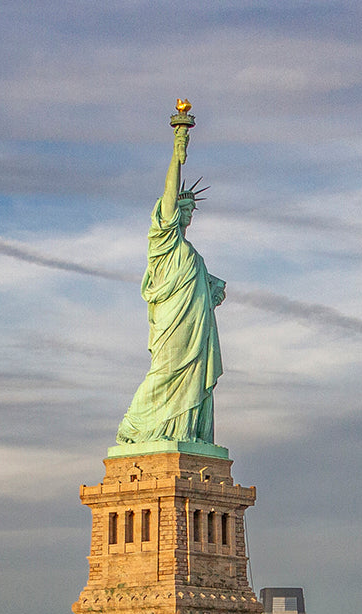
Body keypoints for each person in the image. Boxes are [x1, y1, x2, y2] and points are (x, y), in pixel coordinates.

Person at [116, 120, 226, 446]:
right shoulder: (163, 240)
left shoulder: (190, 252)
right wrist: (179, 152)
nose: (189, 215)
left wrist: (212, 290)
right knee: (165, 372)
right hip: (174, 326)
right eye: (184, 208)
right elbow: (167, 196)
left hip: (196, 326)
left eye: (192, 210)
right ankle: (134, 429)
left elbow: (202, 287)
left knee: (191, 377)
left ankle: (185, 433)